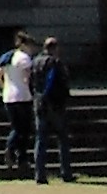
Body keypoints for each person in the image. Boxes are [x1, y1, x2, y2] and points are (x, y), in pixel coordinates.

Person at [29, 36, 75, 182]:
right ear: (55, 48)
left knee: (41, 140)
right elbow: (62, 83)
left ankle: (39, 174)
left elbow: (30, 83)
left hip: (39, 104)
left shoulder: (35, 62)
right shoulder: (56, 63)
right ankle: (66, 172)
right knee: (62, 139)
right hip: (55, 105)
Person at [0, 30, 39, 172]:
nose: (32, 50)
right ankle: (12, 149)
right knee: (23, 129)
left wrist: (4, 88)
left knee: (17, 127)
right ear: (26, 45)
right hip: (23, 97)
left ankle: (21, 158)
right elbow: (28, 78)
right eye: (31, 47)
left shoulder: (7, 57)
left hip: (8, 97)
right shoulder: (24, 59)